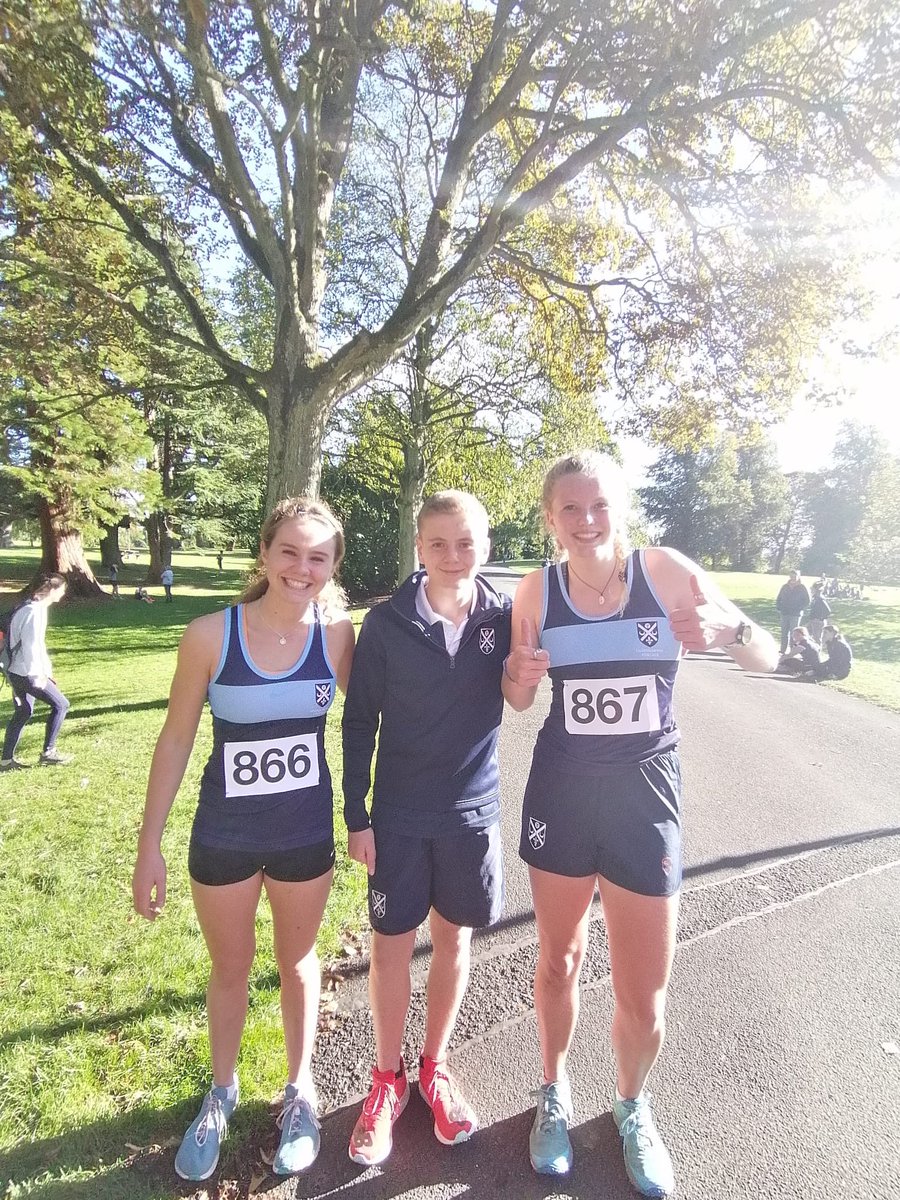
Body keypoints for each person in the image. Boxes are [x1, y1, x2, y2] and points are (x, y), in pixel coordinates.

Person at [502, 450, 779, 1198]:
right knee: (558, 958)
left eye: (598, 505)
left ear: (618, 506)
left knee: (643, 991)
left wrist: (728, 626)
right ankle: (552, 1092)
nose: (586, 520)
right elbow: (520, 698)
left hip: (645, 797)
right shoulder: (537, 589)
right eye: (570, 509)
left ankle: (631, 1104)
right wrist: (519, 679)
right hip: (562, 793)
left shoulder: (665, 572)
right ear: (550, 518)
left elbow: (766, 655)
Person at [132, 498, 354, 1182]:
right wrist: (150, 843)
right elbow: (175, 739)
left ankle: (299, 1090)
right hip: (224, 832)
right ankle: (221, 1091)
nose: (301, 567)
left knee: (297, 962)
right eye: (289, 551)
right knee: (229, 967)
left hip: (304, 831)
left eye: (318, 556)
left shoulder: (338, 635)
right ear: (264, 554)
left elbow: (383, 713)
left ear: (333, 567)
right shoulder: (209, 634)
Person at [342, 490, 512, 1167]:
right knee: (390, 947)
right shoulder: (385, 625)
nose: (452, 556)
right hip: (400, 817)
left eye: (466, 542)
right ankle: (387, 1079)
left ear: (486, 547)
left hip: (471, 817)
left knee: (453, 940)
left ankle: (434, 1068)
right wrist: (357, 814)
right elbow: (361, 723)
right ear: (419, 548)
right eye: (438, 543)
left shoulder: (505, 616)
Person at [1, 573, 73, 771]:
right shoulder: (34, 611)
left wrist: (47, 671)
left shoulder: (29, 606)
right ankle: (48, 753)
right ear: (51, 590)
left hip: (17, 671)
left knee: (23, 711)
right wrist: (39, 675)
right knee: (61, 704)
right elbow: (31, 646)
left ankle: (6, 761)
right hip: (26, 673)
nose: (64, 592)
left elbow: (37, 646)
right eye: (62, 589)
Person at [775, 570, 810, 653]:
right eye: (791, 576)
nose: (793, 578)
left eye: (794, 576)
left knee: (794, 633)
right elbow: (779, 598)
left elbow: (807, 601)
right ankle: (782, 650)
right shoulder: (785, 586)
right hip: (784, 613)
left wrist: (799, 608)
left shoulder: (802, 587)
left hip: (795, 614)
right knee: (784, 633)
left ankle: (792, 650)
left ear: (798, 576)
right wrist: (779, 607)